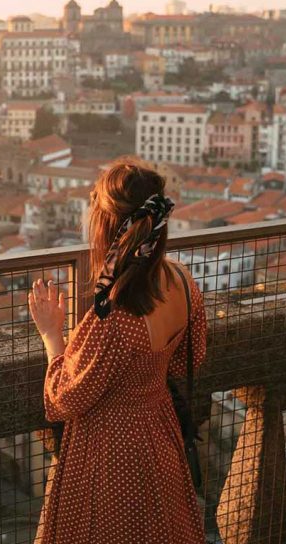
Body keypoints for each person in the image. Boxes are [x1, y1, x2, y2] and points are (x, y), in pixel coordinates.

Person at [28, 159, 207, 543]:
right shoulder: (182, 280)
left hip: (110, 453)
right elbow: (188, 356)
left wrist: (51, 334)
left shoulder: (115, 315)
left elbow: (61, 399)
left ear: (107, 227)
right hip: (160, 436)